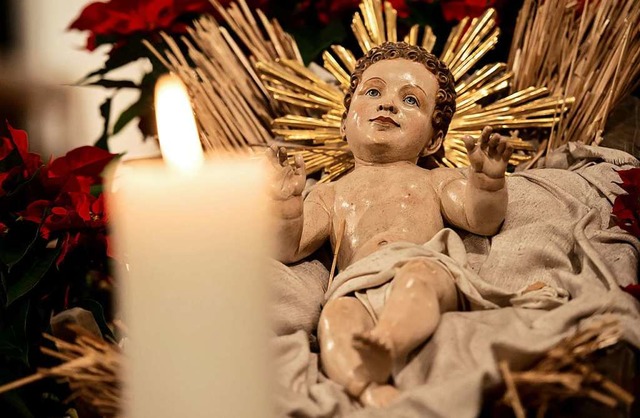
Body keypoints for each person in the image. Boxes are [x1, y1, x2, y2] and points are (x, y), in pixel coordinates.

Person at [266, 41, 513, 407]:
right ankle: (368, 389)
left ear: (433, 139)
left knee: (417, 282)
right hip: (359, 286)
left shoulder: (433, 180)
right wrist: (285, 203)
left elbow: (480, 220)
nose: (388, 103)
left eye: (411, 100)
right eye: (373, 91)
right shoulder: (330, 193)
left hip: (421, 266)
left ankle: (389, 342)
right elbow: (290, 246)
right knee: (335, 319)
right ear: (344, 122)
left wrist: (488, 182)